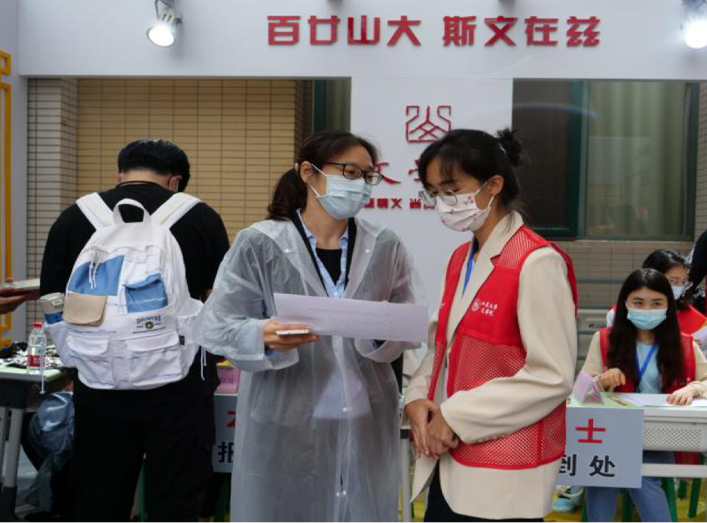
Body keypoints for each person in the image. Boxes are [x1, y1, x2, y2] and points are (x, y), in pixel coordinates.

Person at [194, 130, 421, 523]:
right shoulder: (260, 242)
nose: (360, 184)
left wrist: (383, 331)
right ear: (307, 172)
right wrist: (261, 335)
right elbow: (217, 324)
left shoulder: (385, 244)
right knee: (286, 508)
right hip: (287, 412)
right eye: (349, 171)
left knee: (361, 506)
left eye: (368, 175)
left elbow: (405, 318)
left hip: (364, 413)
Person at [40, 139, 230, 523]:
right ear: (175, 181)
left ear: (120, 174)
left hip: (98, 378)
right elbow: (221, 301)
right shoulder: (200, 216)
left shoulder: (75, 216)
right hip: (180, 383)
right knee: (175, 498)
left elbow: (53, 298)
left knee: (100, 495)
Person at [404, 128, 578, 522]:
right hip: (447, 460)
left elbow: (551, 375)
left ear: (494, 185)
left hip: (503, 470)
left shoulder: (536, 262)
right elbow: (441, 347)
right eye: (434, 193)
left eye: (452, 189)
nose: (443, 203)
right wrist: (415, 398)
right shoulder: (460, 259)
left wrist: (457, 415)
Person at [582, 268, 707, 522]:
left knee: (641, 475)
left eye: (656, 303)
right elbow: (581, 392)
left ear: (668, 306)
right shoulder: (604, 339)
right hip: (612, 433)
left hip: (659, 436)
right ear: (625, 304)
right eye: (638, 302)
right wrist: (600, 380)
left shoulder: (684, 344)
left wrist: (692, 388)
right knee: (601, 475)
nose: (647, 309)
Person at [607, 250, 707, 346]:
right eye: (673, 281)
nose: (679, 287)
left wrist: (691, 350)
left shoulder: (698, 322)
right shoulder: (619, 314)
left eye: (683, 282)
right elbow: (612, 349)